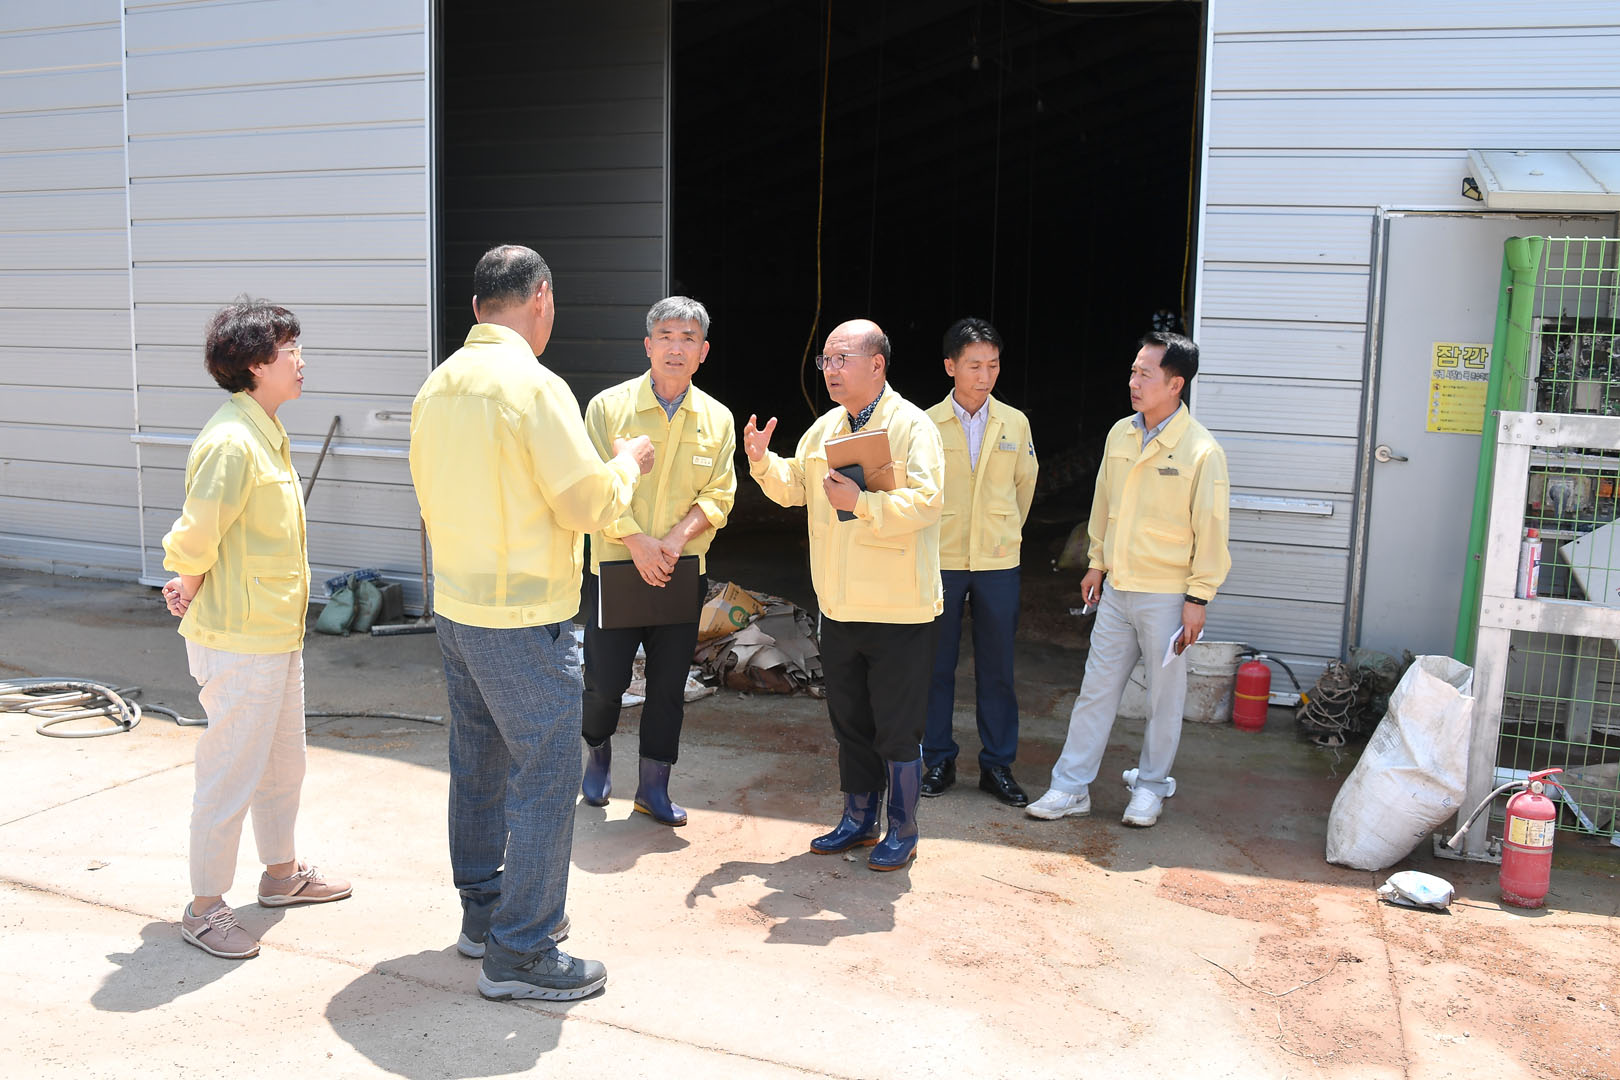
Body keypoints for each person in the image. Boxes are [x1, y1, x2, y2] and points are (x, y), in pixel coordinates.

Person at [409, 244, 653, 1002]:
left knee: (478, 759)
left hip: (458, 605)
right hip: (520, 616)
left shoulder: (438, 385)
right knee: (547, 770)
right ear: (540, 297)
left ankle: (485, 913)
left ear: (477, 305)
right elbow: (585, 503)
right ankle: (522, 948)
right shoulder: (535, 388)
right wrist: (627, 464)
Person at [161, 298, 351, 961]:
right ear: (254, 364)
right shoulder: (231, 441)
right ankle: (204, 907)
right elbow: (198, 533)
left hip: (273, 633)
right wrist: (185, 580)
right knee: (230, 774)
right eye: (289, 350)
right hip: (239, 639)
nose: (301, 360)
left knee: (282, 765)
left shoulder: (265, 430)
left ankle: (280, 875)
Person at [743, 319, 945, 871]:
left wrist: (863, 504)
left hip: (899, 609)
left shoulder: (913, 426)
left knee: (897, 728)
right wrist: (762, 462)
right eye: (825, 361)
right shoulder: (825, 427)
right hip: (839, 605)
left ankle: (903, 828)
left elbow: (927, 503)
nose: (830, 370)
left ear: (877, 364)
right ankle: (859, 818)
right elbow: (795, 488)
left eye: (841, 359)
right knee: (851, 723)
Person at [1026, 330, 1230, 828]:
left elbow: (1211, 531)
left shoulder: (1201, 451)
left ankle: (1151, 787)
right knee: (1095, 692)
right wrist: (1096, 562)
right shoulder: (1121, 434)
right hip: (1117, 591)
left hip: (1168, 596)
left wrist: (1198, 597)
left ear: (1175, 384)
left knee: (1165, 699)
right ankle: (1070, 787)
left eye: (1145, 374)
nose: (1134, 381)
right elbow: (1104, 503)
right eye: (1133, 371)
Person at [579, 296, 737, 826]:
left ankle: (653, 786)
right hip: (616, 568)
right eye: (666, 336)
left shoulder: (717, 419)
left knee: (668, 687)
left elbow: (719, 495)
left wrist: (672, 542)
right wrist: (637, 542)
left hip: (679, 571)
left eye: (688, 338)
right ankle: (597, 752)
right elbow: (592, 487)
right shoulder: (608, 408)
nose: (676, 348)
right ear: (648, 346)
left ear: (703, 351)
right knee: (605, 682)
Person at [921, 318, 1039, 807]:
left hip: (997, 562)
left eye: (992, 365)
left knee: (998, 668)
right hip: (941, 558)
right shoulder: (924, 423)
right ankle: (938, 760)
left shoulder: (1014, 422)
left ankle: (997, 765)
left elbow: (1024, 486)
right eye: (974, 365)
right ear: (951, 366)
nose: (984, 375)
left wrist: (1001, 531)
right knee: (935, 666)